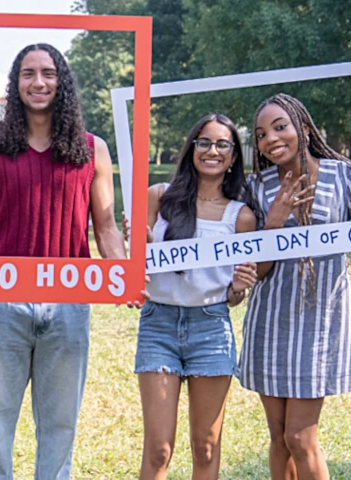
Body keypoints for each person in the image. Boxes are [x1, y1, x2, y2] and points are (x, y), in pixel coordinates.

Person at [0, 43, 129, 479]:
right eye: (28, 74)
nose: (39, 82)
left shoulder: (93, 150)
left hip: (69, 303)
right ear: (15, 85)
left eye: (48, 73)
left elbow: (105, 226)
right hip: (2, 304)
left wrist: (123, 274)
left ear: (62, 82)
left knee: (59, 425)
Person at [237, 93, 351, 480]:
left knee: (301, 436)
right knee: (279, 438)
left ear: (302, 126)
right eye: (261, 133)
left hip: (321, 324)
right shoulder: (256, 186)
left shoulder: (343, 176)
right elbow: (256, 270)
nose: (271, 139)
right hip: (270, 322)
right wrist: (273, 224)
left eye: (280, 126)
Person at [136, 113, 258, 480]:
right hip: (159, 325)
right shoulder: (158, 197)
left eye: (223, 144)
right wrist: (135, 245)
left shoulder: (242, 217)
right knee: (159, 449)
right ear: (191, 149)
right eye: (204, 142)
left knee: (205, 447)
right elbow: (135, 262)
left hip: (211, 328)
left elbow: (234, 295)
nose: (212, 151)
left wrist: (239, 288)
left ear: (234, 157)